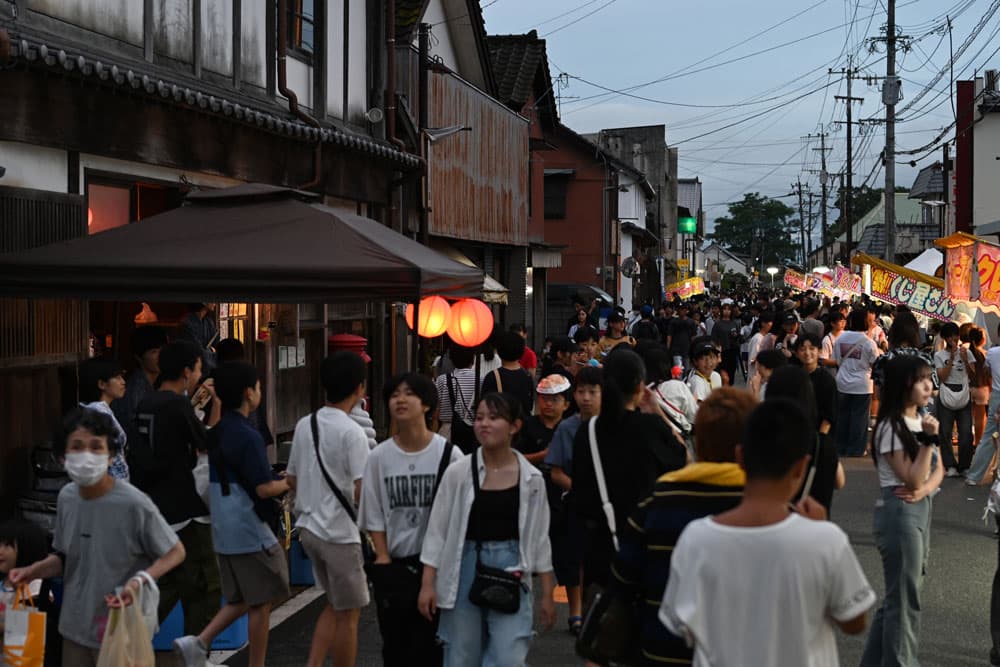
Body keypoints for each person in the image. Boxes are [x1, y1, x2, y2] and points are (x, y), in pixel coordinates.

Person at [660, 399, 876, 666]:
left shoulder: (696, 539)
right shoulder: (824, 540)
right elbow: (854, 621)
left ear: (740, 457)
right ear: (800, 466)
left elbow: (681, 626)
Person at [8, 408, 186, 666]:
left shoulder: (133, 503)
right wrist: (33, 571)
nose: (87, 455)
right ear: (62, 457)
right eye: (77, 447)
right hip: (75, 625)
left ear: (110, 453)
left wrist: (141, 579)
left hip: (121, 625)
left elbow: (175, 551)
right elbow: (65, 557)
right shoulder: (67, 497)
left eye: (96, 447)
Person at [612, 387, 755, 666]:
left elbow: (622, 580)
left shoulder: (658, 504)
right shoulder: (767, 509)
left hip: (661, 650)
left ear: (698, 442)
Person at [418, 392, 556, 666]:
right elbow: (437, 530)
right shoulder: (458, 472)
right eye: (479, 418)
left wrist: (548, 594)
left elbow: (540, 539)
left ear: (514, 426)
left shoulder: (532, 479)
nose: (484, 424)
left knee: (509, 656)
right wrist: (427, 584)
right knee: (461, 654)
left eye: (494, 418)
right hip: (463, 564)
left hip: (512, 564)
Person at [173, 362, 290, 667]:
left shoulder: (217, 432)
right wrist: (289, 481)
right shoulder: (247, 435)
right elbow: (264, 488)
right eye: (259, 387)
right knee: (261, 601)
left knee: (241, 598)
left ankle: (199, 642)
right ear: (249, 393)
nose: (260, 392)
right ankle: (255, 663)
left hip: (223, 526)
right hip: (248, 527)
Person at [359, 373, 462, 666]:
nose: (400, 400)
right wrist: (382, 558)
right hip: (396, 566)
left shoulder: (449, 455)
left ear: (427, 404)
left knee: (435, 648)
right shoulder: (379, 457)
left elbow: (458, 515)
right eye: (394, 395)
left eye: (409, 394)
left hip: (441, 568)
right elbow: (373, 511)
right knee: (396, 648)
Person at [572, 349, 688, 595]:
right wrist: (657, 412)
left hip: (600, 549)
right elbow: (684, 458)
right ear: (639, 386)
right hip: (647, 546)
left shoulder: (588, 431)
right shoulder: (650, 427)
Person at [130, 340, 222, 636]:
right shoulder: (177, 404)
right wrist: (217, 404)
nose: (198, 375)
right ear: (186, 371)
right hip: (186, 503)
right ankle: (196, 649)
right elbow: (206, 442)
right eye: (197, 368)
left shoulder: (148, 402)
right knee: (204, 583)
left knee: (169, 577)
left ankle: (132, 636)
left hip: (157, 500)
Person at [287, 352, 371, 667]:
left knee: (335, 605)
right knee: (349, 614)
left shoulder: (305, 424)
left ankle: (314, 664)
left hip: (308, 529)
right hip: (338, 533)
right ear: (360, 388)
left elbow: (292, 479)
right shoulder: (353, 433)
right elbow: (362, 491)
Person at [861, 355, 944, 666]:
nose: (928, 386)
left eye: (929, 379)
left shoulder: (922, 417)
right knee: (904, 601)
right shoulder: (890, 426)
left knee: (900, 597)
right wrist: (928, 441)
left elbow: (938, 471)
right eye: (921, 380)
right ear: (903, 385)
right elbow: (912, 476)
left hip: (919, 506)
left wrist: (923, 489)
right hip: (899, 513)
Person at [543, 366, 601, 635]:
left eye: (592, 391)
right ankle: (575, 613)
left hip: (606, 506)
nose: (586, 397)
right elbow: (555, 472)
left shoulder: (612, 426)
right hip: (575, 503)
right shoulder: (567, 428)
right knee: (573, 559)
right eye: (581, 392)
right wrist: (581, 488)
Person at [766, 361, 843, 515]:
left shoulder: (766, 440)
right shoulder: (822, 443)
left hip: (774, 524)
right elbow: (840, 482)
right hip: (816, 525)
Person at [834, 309, 881, 457]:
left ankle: (841, 446)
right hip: (862, 385)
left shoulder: (841, 339)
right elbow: (875, 364)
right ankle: (856, 449)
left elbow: (836, 359)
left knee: (842, 416)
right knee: (859, 419)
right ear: (866, 322)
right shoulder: (869, 343)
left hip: (842, 382)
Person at [934, 321, 975, 477]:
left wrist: (965, 359)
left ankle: (965, 465)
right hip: (946, 393)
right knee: (945, 432)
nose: (954, 339)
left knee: (965, 432)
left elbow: (973, 375)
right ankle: (950, 464)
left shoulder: (967, 352)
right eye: (950, 337)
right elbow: (942, 377)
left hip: (963, 392)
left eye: (956, 336)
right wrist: (951, 358)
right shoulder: (939, 355)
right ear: (945, 338)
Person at [77, 358, 130, 480]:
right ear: (102, 384)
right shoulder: (98, 412)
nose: (123, 382)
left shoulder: (96, 410)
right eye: (117, 378)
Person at [112, 324, 167, 428]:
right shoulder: (135, 388)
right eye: (154, 351)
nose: (161, 355)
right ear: (139, 358)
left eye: (163, 349)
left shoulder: (160, 382)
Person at [967, 323, 1000, 485]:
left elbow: (987, 371)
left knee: (988, 438)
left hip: (996, 395)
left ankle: (974, 476)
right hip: (992, 393)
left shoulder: (992, 353)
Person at [435, 344, 479, 454]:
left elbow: (436, 412)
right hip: (474, 431)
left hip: (447, 432)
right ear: (473, 359)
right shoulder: (480, 380)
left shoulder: (442, 380)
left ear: (452, 360)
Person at [482, 331, 535, 417]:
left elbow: (485, 407)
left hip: (501, 427)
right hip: (523, 426)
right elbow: (529, 406)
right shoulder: (528, 377)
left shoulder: (492, 377)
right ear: (522, 352)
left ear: (499, 352)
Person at [970, 326, 991, 448]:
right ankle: (977, 442)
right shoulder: (984, 354)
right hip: (981, 388)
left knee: (969, 417)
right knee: (980, 418)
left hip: (968, 388)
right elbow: (987, 374)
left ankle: (970, 440)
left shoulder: (967, 352)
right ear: (982, 339)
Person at [709, 303, 740, 385]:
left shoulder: (734, 323)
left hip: (732, 351)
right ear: (722, 311)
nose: (727, 311)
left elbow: (738, 337)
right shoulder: (718, 324)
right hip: (722, 352)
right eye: (725, 309)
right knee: (722, 375)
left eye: (729, 309)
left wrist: (736, 336)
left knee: (731, 374)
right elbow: (713, 339)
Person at [686, 339, 722, 403]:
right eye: (703, 358)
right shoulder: (696, 381)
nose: (708, 362)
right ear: (695, 361)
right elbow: (699, 408)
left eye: (712, 357)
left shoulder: (715, 375)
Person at [746, 311, 773, 383]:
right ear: (763, 323)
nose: (772, 324)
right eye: (770, 322)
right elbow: (753, 360)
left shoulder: (766, 337)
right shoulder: (758, 339)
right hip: (756, 377)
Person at [820, 311, 846, 376]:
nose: (843, 323)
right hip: (833, 373)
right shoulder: (827, 340)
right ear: (832, 324)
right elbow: (824, 361)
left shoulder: (846, 335)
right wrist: (840, 361)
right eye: (840, 321)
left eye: (844, 321)